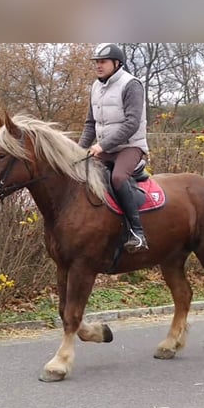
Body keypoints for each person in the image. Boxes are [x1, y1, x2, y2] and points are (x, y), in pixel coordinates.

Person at [79, 43, 150, 252]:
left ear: (117, 63)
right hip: (104, 148)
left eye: (103, 62)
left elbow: (131, 123)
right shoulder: (95, 86)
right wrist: (77, 150)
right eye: (97, 62)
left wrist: (102, 145)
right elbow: (90, 124)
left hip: (130, 146)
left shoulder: (132, 85)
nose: (98, 66)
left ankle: (137, 232)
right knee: (80, 175)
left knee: (118, 178)